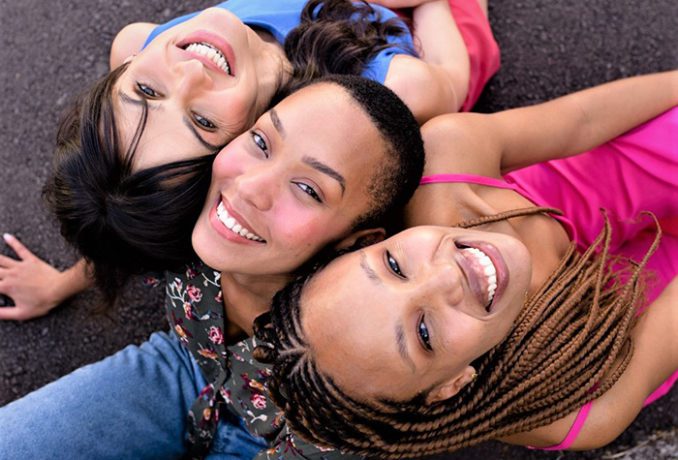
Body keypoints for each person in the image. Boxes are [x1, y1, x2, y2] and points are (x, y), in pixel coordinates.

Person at [248, 70, 678, 457]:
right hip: (613, 326)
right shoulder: (582, 402)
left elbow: (583, 119)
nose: (446, 277)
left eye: (395, 265)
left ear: (373, 240)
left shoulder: (450, 161)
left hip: (575, 200)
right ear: (449, 386)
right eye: (423, 333)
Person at [0, 75, 425, 459]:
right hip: (184, 368)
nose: (248, 187)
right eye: (261, 142)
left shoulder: (361, 350)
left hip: (278, 445)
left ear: (357, 243)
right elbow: (140, 243)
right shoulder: (192, 198)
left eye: (307, 189)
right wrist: (61, 284)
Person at [0, 0, 498, 319]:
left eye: (145, 90)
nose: (189, 74)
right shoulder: (398, 93)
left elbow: (133, 207)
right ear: (241, 157)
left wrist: (65, 282)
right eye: (203, 122)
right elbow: (453, 76)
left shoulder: (142, 44)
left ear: (126, 71)